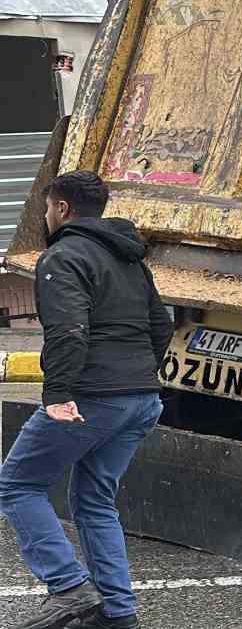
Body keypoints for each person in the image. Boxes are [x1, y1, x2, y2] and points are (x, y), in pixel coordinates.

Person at [0, 171, 171, 629]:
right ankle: (117, 612)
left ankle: (68, 586)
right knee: (94, 499)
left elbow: (68, 329)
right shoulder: (132, 258)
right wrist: (137, 376)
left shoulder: (64, 256)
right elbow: (161, 326)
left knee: (17, 484)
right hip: (140, 398)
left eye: (47, 208)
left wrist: (57, 394)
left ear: (61, 209)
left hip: (91, 398)